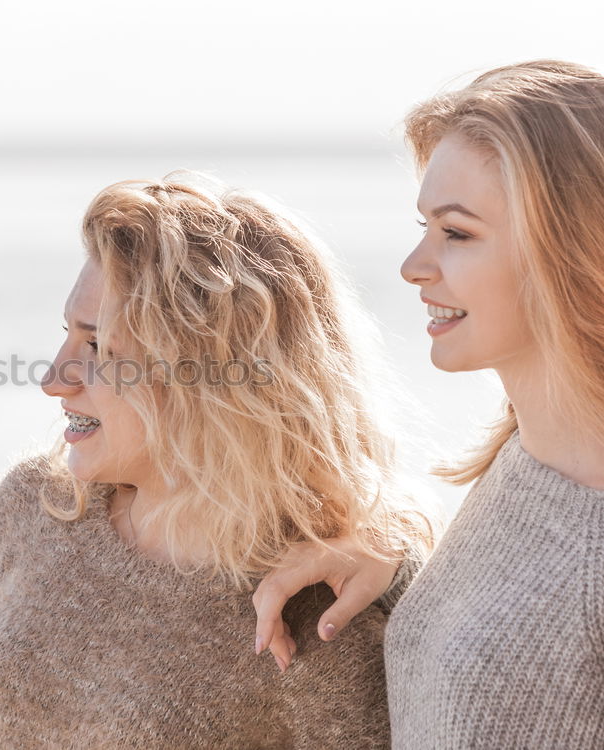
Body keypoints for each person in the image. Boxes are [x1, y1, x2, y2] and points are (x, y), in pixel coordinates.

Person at [0, 172, 437, 749]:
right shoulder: (34, 507)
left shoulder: (314, 609)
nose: (53, 380)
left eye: (96, 346)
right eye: (66, 335)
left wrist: (404, 556)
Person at [251, 60, 604, 748]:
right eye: (425, 226)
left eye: (458, 232)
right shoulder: (525, 457)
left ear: (572, 249)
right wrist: (397, 565)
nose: (415, 265)